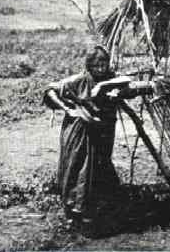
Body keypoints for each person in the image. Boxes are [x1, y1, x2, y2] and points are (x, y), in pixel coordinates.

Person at [43, 45, 122, 228]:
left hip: (102, 131)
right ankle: (74, 212)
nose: (101, 68)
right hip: (79, 132)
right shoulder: (79, 80)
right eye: (97, 65)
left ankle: (94, 211)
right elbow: (50, 90)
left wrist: (111, 88)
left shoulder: (110, 79)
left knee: (100, 168)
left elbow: (127, 83)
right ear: (89, 66)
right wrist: (68, 109)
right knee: (78, 168)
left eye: (104, 64)